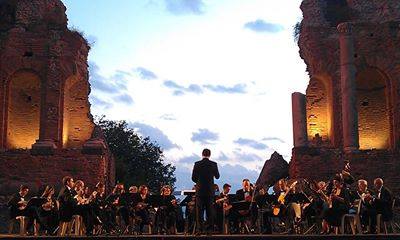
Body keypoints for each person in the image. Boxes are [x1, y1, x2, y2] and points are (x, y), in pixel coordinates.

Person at [191, 148, 220, 235]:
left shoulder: (197, 164)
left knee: (199, 211)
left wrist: (199, 182)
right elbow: (217, 176)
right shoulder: (213, 164)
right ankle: (209, 230)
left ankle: (199, 230)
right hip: (210, 191)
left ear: (202, 154)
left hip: (200, 191)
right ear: (210, 155)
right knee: (209, 211)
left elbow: (193, 178)